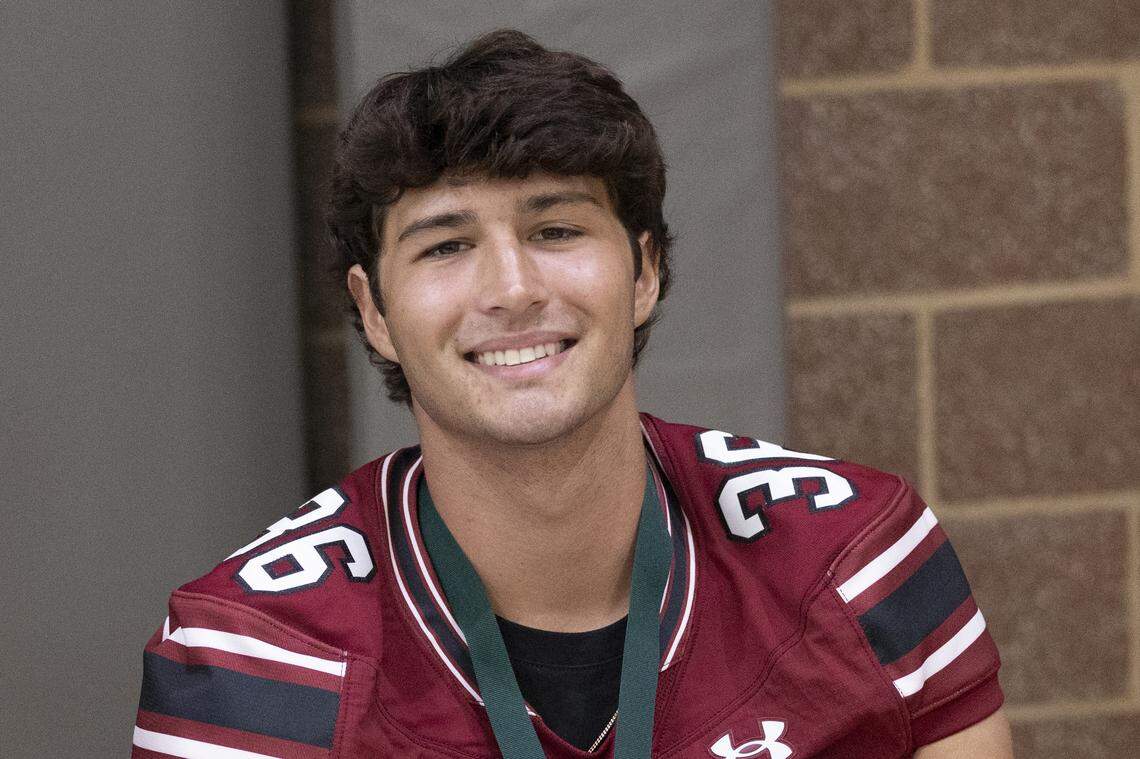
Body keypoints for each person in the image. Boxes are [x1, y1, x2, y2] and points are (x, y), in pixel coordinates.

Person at [131, 29, 1012, 758]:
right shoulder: (254, 655)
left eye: (555, 228)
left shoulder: (855, 558)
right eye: (445, 246)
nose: (511, 288)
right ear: (375, 312)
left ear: (644, 271)